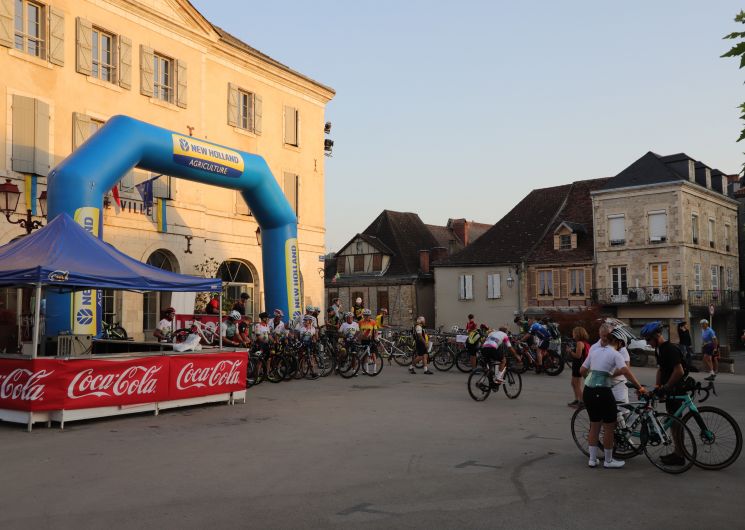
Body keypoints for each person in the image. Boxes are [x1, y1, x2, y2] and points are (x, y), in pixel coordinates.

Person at [580, 327, 645, 469]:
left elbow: (582, 370)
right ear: (619, 342)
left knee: (595, 425)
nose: (622, 347)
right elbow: (626, 372)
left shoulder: (595, 351)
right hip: (603, 392)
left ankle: (592, 460)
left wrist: (592, 380)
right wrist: (640, 387)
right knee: (609, 427)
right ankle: (608, 461)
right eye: (622, 344)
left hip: (588, 391)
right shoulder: (615, 354)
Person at [640, 321, 687, 466]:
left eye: (648, 339)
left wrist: (665, 387)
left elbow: (679, 371)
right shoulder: (659, 349)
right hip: (668, 390)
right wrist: (657, 387)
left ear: (656, 336)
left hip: (676, 389)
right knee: (672, 421)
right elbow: (661, 369)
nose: (647, 343)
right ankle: (678, 452)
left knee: (675, 422)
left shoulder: (670, 349)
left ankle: (680, 455)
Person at [568, 326, 590, 408]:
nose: (573, 334)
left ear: (577, 334)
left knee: (576, 384)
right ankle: (577, 399)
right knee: (573, 383)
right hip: (577, 365)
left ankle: (582, 401)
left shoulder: (580, 343)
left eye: (574, 333)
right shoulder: (583, 342)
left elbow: (578, 356)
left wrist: (570, 351)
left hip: (578, 365)